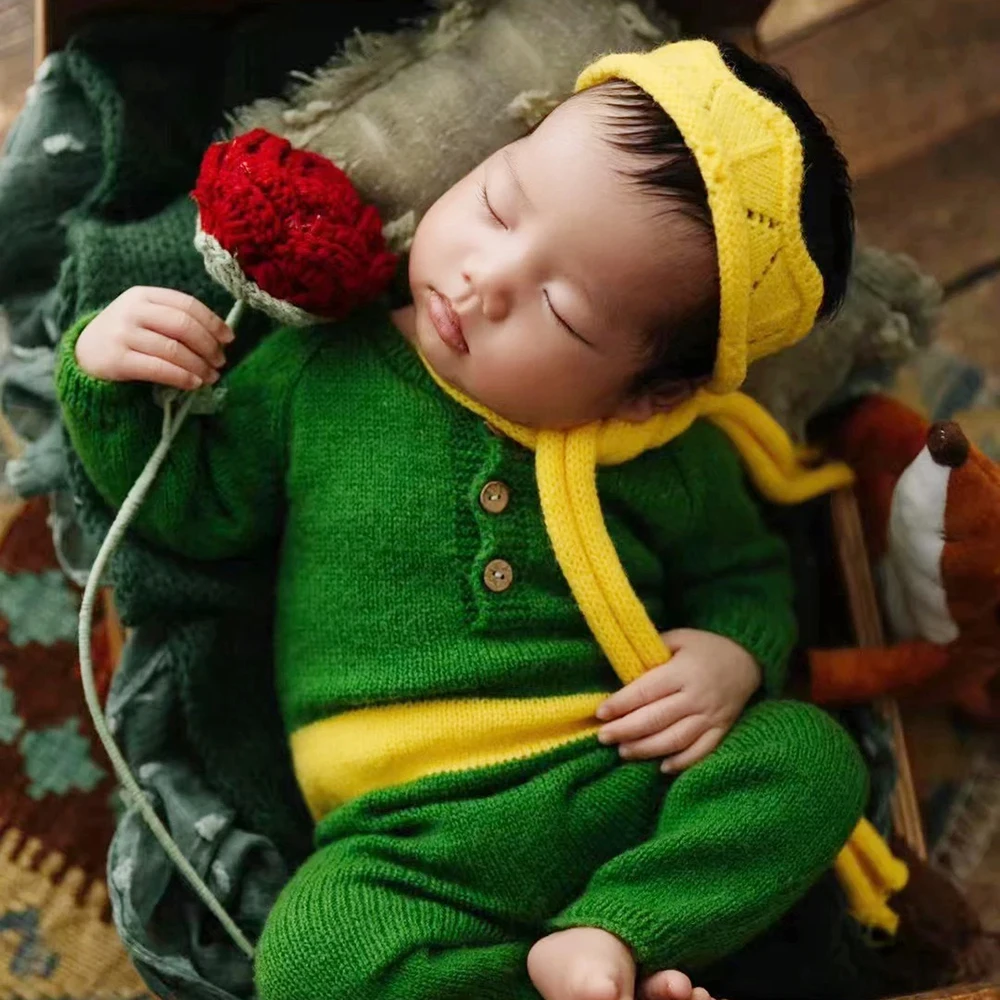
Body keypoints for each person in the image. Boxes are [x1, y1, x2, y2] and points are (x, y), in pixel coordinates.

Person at [57, 40, 866, 1000]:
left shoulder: (661, 457)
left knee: (812, 764)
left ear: (654, 392)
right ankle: (574, 976)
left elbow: (745, 573)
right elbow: (196, 508)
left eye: (562, 311)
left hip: (616, 781)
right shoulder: (326, 370)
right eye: (497, 201)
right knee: (311, 960)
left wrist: (734, 657)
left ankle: (620, 927)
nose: (485, 278)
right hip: (403, 840)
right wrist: (102, 371)